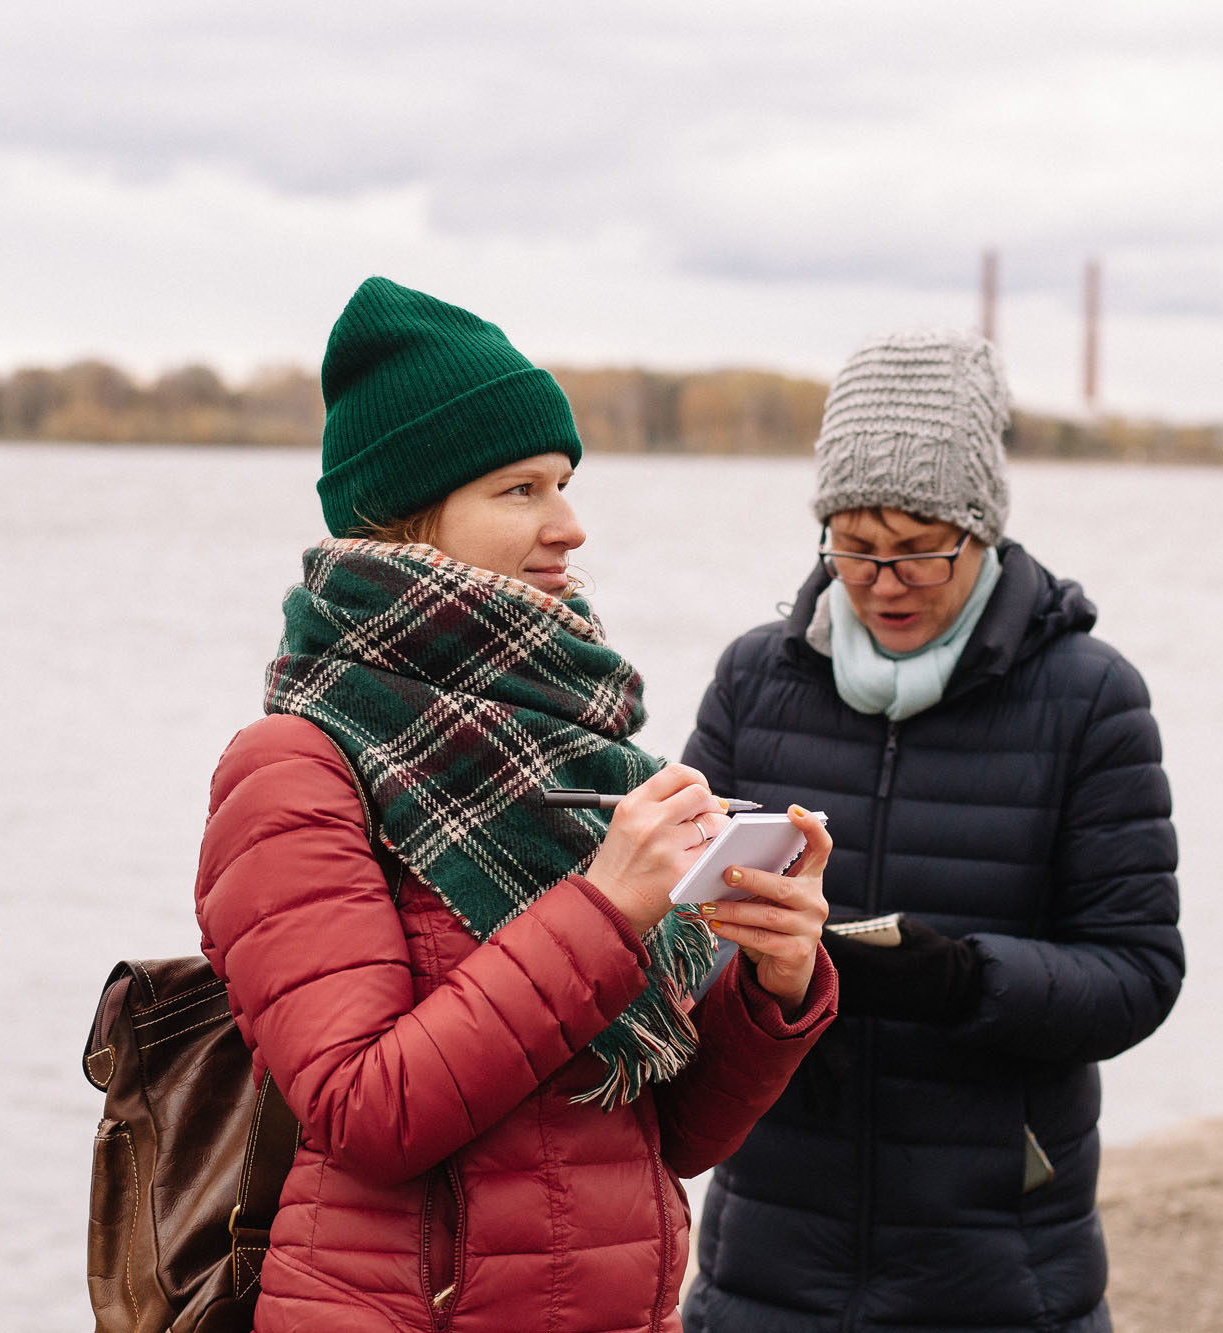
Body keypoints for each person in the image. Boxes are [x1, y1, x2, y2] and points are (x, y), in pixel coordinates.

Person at [193, 276, 839, 1333]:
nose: (569, 526)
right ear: (407, 519)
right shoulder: (292, 767)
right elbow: (366, 1111)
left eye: (564, 484)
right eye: (520, 490)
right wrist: (602, 911)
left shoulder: (581, 744)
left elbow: (661, 1137)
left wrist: (772, 984)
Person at [678, 328, 1183, 1332]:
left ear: (982, 530)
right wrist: (764, 977)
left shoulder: (1089, 698)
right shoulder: (752, 679)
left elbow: (1136, 973)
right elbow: (669, 929)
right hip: (767, 1255)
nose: (881, 580)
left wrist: (961, 982)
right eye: (852, 546)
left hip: (998, 1267)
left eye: (917, 549)